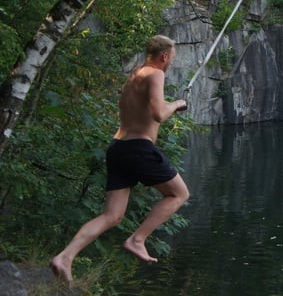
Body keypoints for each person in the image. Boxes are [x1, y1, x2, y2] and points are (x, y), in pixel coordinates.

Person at [50, 35, 189, 283]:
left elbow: (147, 110)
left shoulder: (135, 75)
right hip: (139, 149)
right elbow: (158, 114)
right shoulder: (156, 74)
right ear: (164, 56)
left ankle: (64, 257)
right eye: (172, 58)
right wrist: (178, 103)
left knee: (112, 216)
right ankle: (137, 239)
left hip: (118, 148)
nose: (171, 63)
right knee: (179, 194)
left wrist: (169, 105)